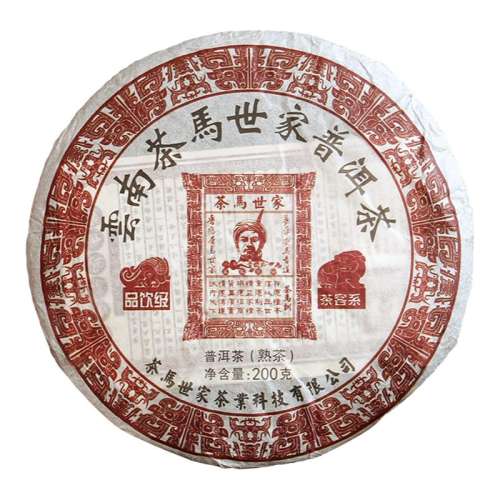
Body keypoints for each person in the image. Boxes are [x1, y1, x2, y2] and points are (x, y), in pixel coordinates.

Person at [222, 210, 281, 275]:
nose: (249, 244)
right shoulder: (230, 270)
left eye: (254, 240)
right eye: (244, 240)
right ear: (237, 244)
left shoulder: (271, 268)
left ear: (262, 243)